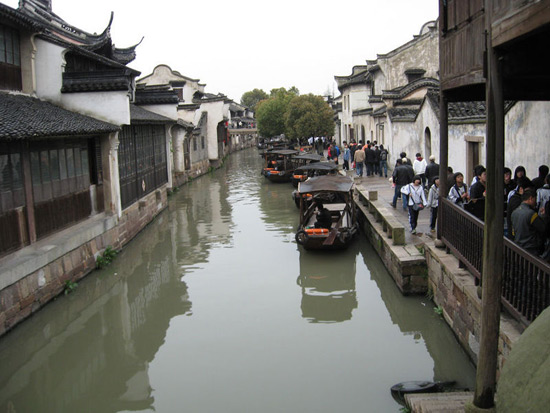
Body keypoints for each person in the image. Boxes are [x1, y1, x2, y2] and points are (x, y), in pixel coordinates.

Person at [511, 189, 547, 256]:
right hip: (531, 248)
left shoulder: (514, 213)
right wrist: (543, 216)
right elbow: (543, 228)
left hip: (518, 246)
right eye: (535, 199)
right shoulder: (531, 214)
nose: (536, 202)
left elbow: (513, 232)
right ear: (531, 198)